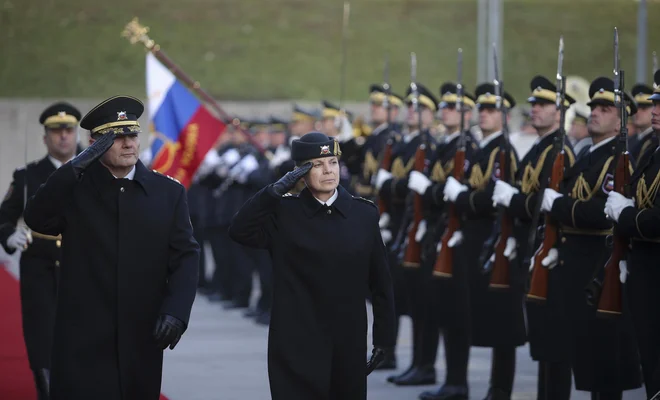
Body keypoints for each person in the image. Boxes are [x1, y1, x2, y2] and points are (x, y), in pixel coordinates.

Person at [23, 95, 200, 400]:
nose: (128, 143)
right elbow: (38, 218)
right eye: (116, 138)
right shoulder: (74, 187)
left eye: (132, 134)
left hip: (141, 334)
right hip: (82, 336)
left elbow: (186, 256)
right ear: (95, 143)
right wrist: (76, 164)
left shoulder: (167, 193)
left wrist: (176, 312)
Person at [228, 131, 396, 400]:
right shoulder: (284, 212)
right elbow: (239, 230)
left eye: (332, 162)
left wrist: (384, 338)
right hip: (295, 342)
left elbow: (381, 283)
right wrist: (274, 191)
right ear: (301, 173)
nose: (328, 171)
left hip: (347, 342)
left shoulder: (363, 214)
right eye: (317, 165)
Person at [540, 77, 642, 398]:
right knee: (581, 356)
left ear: (620, 118)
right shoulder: (588, 153)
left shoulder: (617, 159)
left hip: (595, 263)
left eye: (605, 108)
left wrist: (560, 205)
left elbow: (603, 212)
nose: (594, 112)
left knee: (602, 361)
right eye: (594, 106)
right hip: (573, 263)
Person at [492, 75, 576, 400]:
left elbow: (544, 202)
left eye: (543, 105)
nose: (535, 109)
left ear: (561, 111)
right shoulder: (542, 147)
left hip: (547, 249)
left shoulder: (560, 151)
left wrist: (512, 200)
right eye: (534, 104)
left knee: (553, 341)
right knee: (543, 340)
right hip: (530, 247)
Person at [442, 83, 524, 399]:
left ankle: (500, 388)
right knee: (472, 314)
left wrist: (463, 198)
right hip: (474, 239)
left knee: (502, 321)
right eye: (483, 108)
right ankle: (461, 382)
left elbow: (494, 197)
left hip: (494, 241)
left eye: (492, 109)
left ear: (505, 115)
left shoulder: (503, 151)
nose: (485, 114)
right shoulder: (481, 149)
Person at [0, 101, 81, 400]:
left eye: (69, 130)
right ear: (45, 136)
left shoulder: (92, 173)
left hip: (81, 264)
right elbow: (4, 217)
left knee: (82, 334)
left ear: (76, 134)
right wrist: (9, 236)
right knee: (41, 337)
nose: (63, 137)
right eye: (56, 131)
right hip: (39, 265)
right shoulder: (28, 176)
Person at [605, 69, 660, 398]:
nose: (654, 110)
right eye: (654, 103)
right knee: (650, 360)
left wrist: (625, 213)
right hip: (646, 270)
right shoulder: (653, 151)